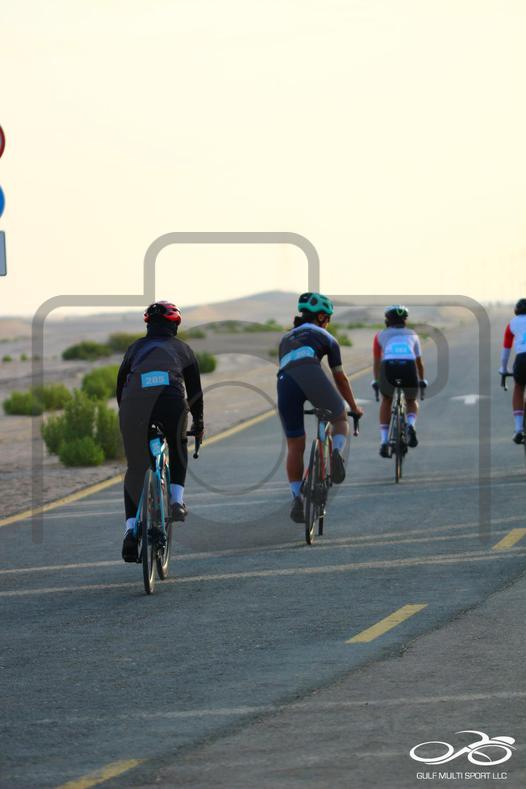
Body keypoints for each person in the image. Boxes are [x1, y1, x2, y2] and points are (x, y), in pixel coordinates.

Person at [117, 301, 204, 562]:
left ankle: (130, 530)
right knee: (178, 446)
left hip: (133, 405)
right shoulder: (183, 349)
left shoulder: (135, 348)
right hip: (170, 402)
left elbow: (120, 387)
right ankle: (176, 501)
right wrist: (198, 423)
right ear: (174, 325)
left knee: (135, 468)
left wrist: (128, 419)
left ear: (149, 325)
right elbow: (195, 393)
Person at [277, 292, 363, 524]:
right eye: (329, 318)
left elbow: (289, 366)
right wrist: (353, 407)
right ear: (322, 317)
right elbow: (340, 378)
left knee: (295, 445)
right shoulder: (326, 337)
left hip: (285, 382)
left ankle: (297, 498)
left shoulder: (285, 338)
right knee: (339, 418)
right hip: (311, 373)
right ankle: (336, 454)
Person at [372, 305, 426, 457]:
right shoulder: (413, 334)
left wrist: (376, 380)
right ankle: (411, 425)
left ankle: (384, 442)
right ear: (405, 321)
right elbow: (419, 362)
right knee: (411, 400)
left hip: (388, 366)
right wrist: (422, 380)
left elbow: (376, 362)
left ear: (387, 321)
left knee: (386, 400)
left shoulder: (380, 335)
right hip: (408, 366)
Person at [499, 297, 526, 444]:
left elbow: (506, 351)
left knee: (519, 387)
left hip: (522, 359)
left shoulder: (512, 324)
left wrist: (503, 369)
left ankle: (518, 429)